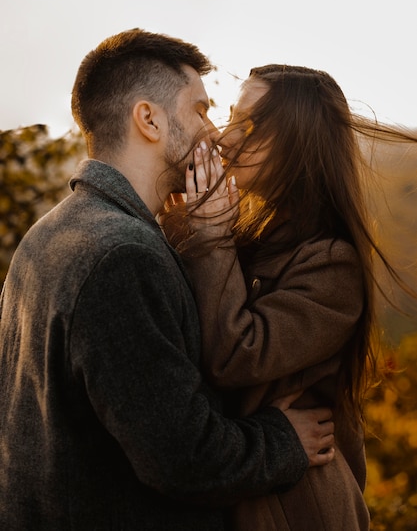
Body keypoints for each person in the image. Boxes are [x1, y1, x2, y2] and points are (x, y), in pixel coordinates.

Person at [0, 33, 336, 530]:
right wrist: (283, 440)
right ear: (149, 119)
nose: (213, 132)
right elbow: (183, 458)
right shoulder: (122, 256)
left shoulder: (48, 232)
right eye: (200, 110)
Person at [164, 63, 417, 530]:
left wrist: (210, 239)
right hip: (251, 488)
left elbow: (233, 356)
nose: (226, 137)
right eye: (232, 119)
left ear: (297, 141)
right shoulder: (247, 231)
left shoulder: (331, 265)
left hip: (300, 508)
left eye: (250, 125)